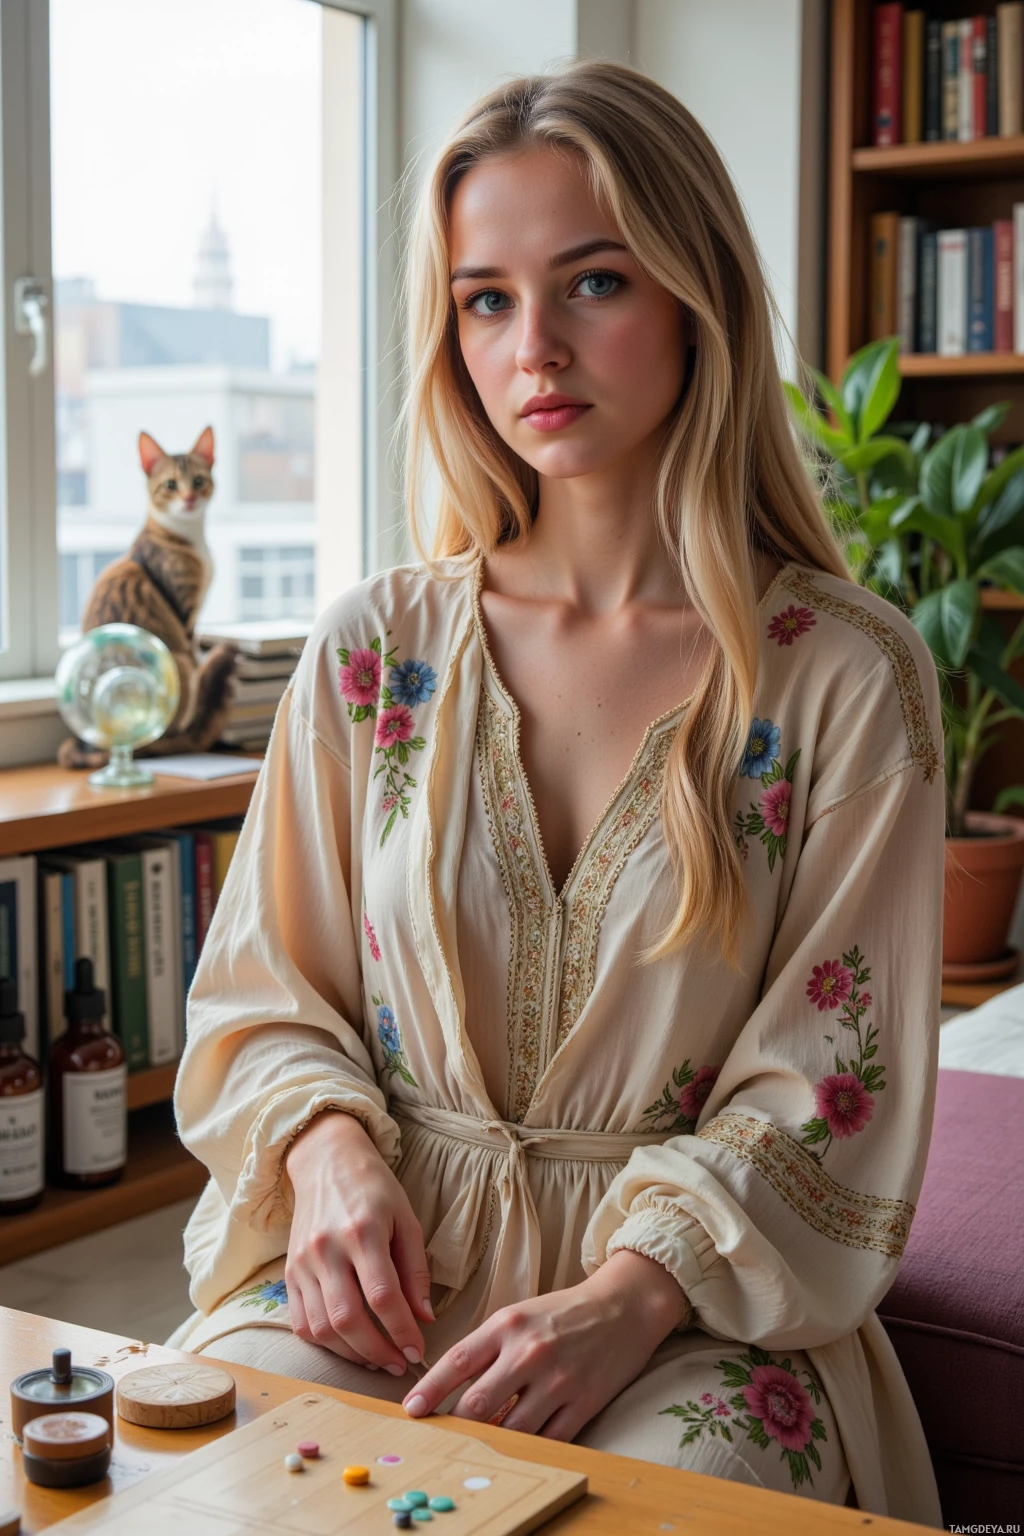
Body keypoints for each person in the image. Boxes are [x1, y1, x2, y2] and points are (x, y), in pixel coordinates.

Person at [168, 60, 945, 1523]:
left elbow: (832, 1086)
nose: (536, 349)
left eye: (593, 282)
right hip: (392, 1276)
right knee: (209, 1482)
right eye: (486, 299)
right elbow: (262, 992)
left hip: (696, 1306)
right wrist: (329, 1155)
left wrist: (631, 1294)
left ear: (695, 291)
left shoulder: (845, 679)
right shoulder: (370, 652)